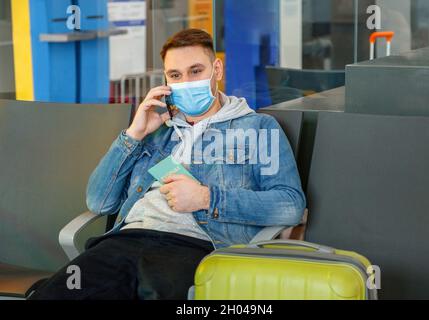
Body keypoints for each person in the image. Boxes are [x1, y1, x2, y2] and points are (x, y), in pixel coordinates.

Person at [29, 29, 306, 300]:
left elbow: (290, 204)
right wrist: (133, 135)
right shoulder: (157, 132)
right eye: (175, 75)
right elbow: (98, 202)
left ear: (217, 70)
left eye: (195, 71)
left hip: (194, 247)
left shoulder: (258, 127)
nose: (186, 82)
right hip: (124, 242)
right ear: (165, 81)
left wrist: (205, 198)